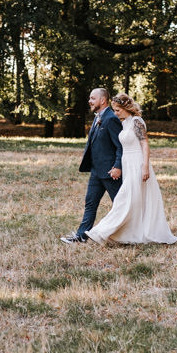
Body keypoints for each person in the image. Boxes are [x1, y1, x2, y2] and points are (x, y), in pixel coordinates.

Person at [85, 92, 177, 245]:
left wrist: (145, 166)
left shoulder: (136, 121)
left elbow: (144, 144)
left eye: (117, 110)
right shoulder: (124, 123)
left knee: (124, 199)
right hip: (127, 164)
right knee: (133, 199)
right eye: (114, 110)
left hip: (137, 163)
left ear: (126, 107)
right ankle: (130, 232)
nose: (115, 113)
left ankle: (102, 231)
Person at [61, 88, 123, 244]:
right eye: (89, 98)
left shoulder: (111, 118)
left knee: (121, 205)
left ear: (103, 100)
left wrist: (118, 166)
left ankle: (130, 233)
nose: (89, 101)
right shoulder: (98, 117)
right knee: (90, 203)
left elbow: (121, 146)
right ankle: (81, 235)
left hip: (110, 172)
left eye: (92, 98)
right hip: (96, 171)